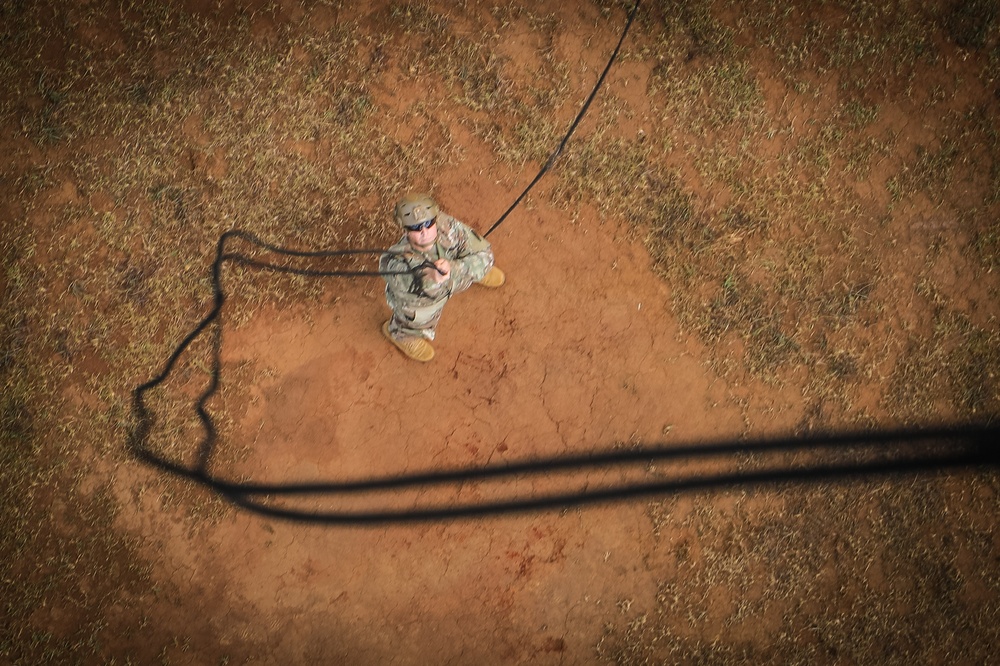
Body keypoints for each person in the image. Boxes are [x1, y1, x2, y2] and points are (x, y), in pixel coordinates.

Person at [379, 193, 505, 362]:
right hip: (424, 302)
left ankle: (474, 274)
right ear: (405, 230)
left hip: (456, 277)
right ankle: (401, 335)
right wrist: (430, 276)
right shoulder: (396, 260)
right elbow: (400, 277)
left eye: (428, 223)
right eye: (415, 228)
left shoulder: (447, 226)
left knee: (479, 264)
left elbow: (484, 254)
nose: (424, 231)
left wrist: (457, 268)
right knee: (416, 317)